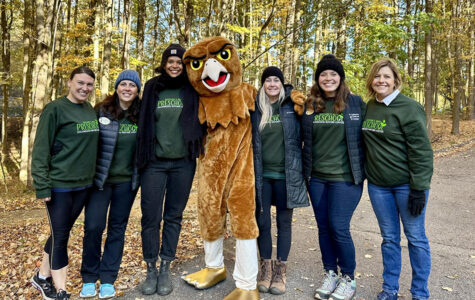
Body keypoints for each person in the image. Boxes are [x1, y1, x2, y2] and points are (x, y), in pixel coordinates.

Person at [135, 44, 203, 296]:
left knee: (173, 216)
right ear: (164, 64)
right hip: (154, 163)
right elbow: (142, 120)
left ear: (184, 64)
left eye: (178, 61)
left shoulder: (192, 87)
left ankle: (166, 266)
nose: (174, 65)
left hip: (183, 164)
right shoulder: (153, 87)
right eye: (170, 61)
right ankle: (150, 268)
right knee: (150, 217)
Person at [362, 58, 433, 300]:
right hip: (379, 187)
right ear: (372, 81)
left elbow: (421, 151)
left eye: (387, 77)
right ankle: (389, 289)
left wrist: (419, 188)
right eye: (377, 76)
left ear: (395, 81)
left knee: (416, 238)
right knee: (389, 239)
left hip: (407, 187)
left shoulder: (409, 108)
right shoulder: (370, 107)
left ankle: (420, 293)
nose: (381, 80)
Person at [30, 66, 99, 300]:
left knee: (60, 232)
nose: (84, 88)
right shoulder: (55, 109)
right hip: (59, 185)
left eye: (89, 84)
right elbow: (40, 150)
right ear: (69, 82)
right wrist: (42, 185)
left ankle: (40, 276)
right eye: (80, 83)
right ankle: (60, 290)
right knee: (60, 237)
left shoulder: (89, 109)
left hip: (83, 185)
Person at [301, 54, 365, 300]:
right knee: (324, 227)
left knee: (339, 227)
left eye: (333, 74)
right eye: (323, 74)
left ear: (341, 78)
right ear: (318, 79)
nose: (328, 78)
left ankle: (348, 278)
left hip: (346, 178)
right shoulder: (309, 105)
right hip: (316, 178)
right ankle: (330, 273)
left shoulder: (356, 104)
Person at [79, 70, 141, 299]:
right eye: (123, 84)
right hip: (100, 182)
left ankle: (107, 278)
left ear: (137, 90)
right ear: (116, 87)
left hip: (127, 183)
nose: (127, 88)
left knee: (117, 229)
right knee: (94, 227)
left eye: (132, 85)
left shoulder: (142, 114)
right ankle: (88, 277)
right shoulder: (101, 110)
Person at [251, 67, 309, 295]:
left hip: (287, 176)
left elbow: (308, 133)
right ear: (263, 84)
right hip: (262, 176)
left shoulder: (292, 106)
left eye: (276, 80)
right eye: (268, 80)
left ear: (282, 83)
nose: (272, 84)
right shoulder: (256, 106)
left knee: (284, 224)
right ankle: (265, 268)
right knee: (263, 223)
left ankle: (280, 270)